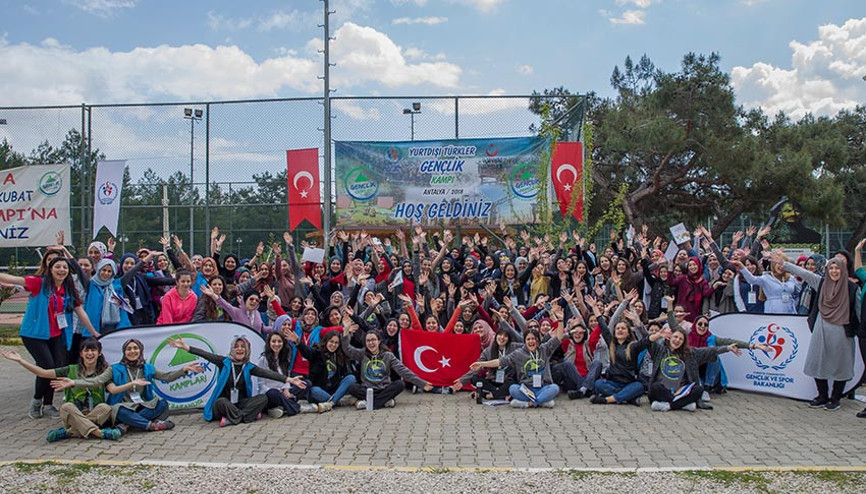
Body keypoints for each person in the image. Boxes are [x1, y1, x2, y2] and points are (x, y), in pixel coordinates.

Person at [0, 257, 100, 419]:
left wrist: (94, 332)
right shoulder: (39, 283)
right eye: (58, 267)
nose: (61, 270)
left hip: (58, 334)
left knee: (57, 367)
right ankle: (37, 401)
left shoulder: (68, 289)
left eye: (65, 268)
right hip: (34, 334)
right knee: (47, 366)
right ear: (50, 269)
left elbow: (80, 311)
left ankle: (48, 404)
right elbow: (13, 279)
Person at [52, 338, 201, 432]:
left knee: (162, 404)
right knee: (118, 410)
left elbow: (167, 377)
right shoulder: (114, 368)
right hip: (123, 407)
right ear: (124, 352)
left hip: (142, 405)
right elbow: (96, 381)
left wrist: (184, 370)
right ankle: (150, 426)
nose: (132, 351)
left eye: (135, 348)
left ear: (140, 351)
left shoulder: (147, 368)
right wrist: (73, 382)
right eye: (129, 349)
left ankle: (129, 425)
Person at [776, 251, 860, 411]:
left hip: (842, 331)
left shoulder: (852, 288)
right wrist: (785, 264)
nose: (834, 271)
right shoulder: (821, 283)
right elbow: (804, 273)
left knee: (840, 364)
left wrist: (859, 331)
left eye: (837, 268)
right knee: (817, 360)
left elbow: (858, 311)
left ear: (843, 270)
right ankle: (822, 396)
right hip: (821, 328)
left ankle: (835, 398)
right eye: (831, 268)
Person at [167, 336, 308, 426]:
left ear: (247, 351)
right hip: (223, 405)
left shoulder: (249, 366)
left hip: (239, 404)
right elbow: (206, 355)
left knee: (263, 398)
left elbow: (269, 374)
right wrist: (186, 348)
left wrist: (289, 379)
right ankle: (247, 416)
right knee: (222, 402)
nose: (239, 349)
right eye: (237, 346)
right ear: (232, 349)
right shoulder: (224, 362)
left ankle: (233, 419)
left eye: (243, 347)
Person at [2, 339, 124, 442]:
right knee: (66, 407)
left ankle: (69, 433)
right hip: (74, 413)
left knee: (106, 408)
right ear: (81, 353)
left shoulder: (104, 372)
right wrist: (20, 360)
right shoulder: (70, 369)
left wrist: (131, 384)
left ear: (99, 353)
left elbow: (112, 390)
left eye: (93, 350)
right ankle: (99, 433)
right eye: (86, 350)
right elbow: (43, 373)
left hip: (95, 413)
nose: (90, 353)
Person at [646, 317, 769, 412]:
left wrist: (728, 348)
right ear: (669, 338)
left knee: (698, 389)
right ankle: (682, 405)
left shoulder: (691, 353)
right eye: (675, 337)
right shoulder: (660, 350)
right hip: (663, 389)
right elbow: (644, 339)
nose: (677, 340)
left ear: (684, 342)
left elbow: (712, 350)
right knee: (655, 387)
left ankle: (668, 405)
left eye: (680, 339)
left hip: (681, 390)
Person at [469, 321, 566, 409]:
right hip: (526, 389)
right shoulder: (519, 353)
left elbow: (558, 338)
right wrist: (482, 363)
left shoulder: (544, 349)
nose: (531, 341)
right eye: (528, 339)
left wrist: (561, 320)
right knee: (513, 389)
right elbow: (500, 361)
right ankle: (541, 401)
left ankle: (530, 403)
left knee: (554, 388)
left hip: (543, 387)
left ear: (538, 341)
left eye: (533, 339)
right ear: (524, 341)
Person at [341, 320, 432, 410]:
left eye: (373, 340)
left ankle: (370, 403)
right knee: (352, 387)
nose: (371, 343)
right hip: (367, 390)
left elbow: (403, 371)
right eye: (368, 341)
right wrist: (346, 330)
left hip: (384, 389)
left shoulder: (388, 355)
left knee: (400, 384)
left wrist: (422, 383)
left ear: (379, 341)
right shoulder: (362, 354)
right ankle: (384, 401)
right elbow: (347, 349)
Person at [287, 327, 357, 408]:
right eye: (331, 341)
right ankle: (336, 401)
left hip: (334, 389)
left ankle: (331, 403)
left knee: (351, 378)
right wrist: (297, 342)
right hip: (320, 389)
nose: (333, 345)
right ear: (326, 341)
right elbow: (306, 351)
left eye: (336, 343)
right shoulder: (317, 352)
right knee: (314, 391)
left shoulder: (339, 355)